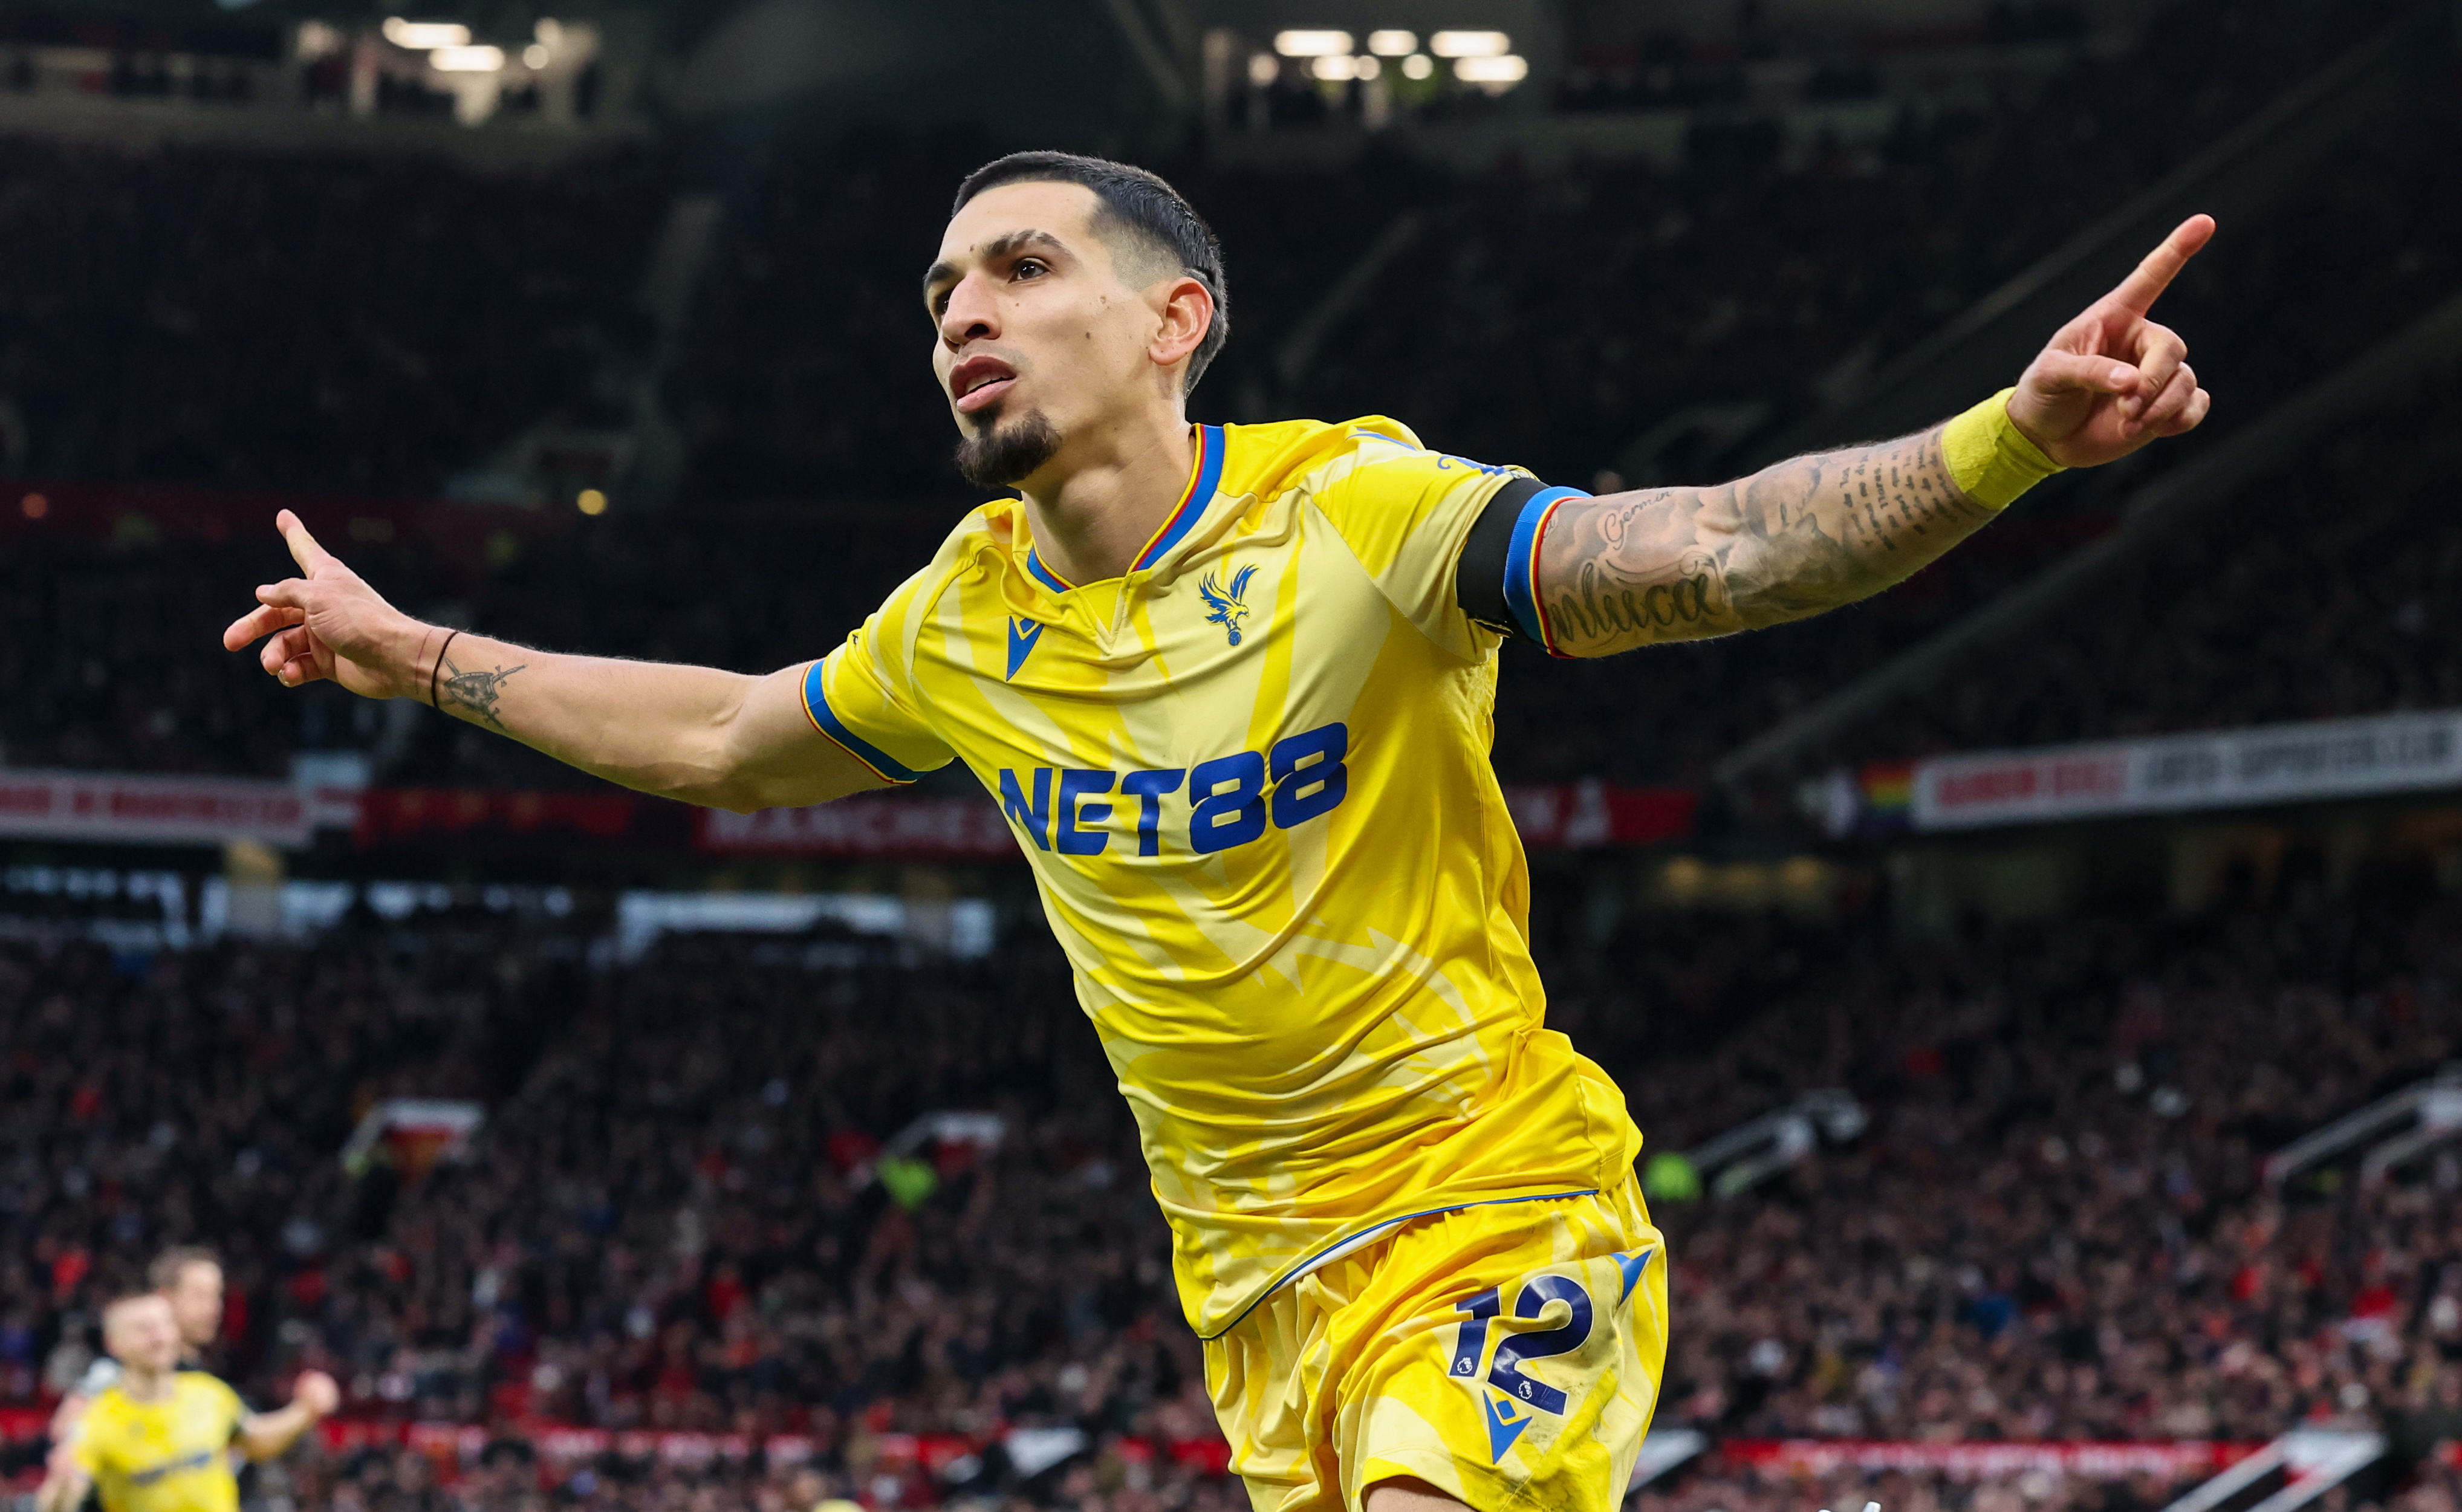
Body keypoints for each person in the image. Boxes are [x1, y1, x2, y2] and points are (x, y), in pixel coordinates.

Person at [222, 152, 2211, 1510]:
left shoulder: (1358, 512)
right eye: (937, 292)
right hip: (1258, 1315)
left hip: (1497, 1221)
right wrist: (416, 656)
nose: (960, 317)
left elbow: (1706, 549)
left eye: (1020, 268)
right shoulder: (967, 613)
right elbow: (735, 735)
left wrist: (2007, 439)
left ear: (1178, 319)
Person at [34, 1293, 337, 1512]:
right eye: (143, 1329)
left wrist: (305, 1411)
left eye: (165, 1325)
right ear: (115, 1344)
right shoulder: (97, 1418)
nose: (159, 1337)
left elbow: (255, 1440)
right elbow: (61, 1497)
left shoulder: (209, 1394)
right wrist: (60, 1489)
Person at [47, 1248, 227, 1486]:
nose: (214, 1308)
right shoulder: (119, 1370)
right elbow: (64, 1430)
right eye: (200, 1296)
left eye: (217, 1296)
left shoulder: (197, 1374)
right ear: (165, 1299)